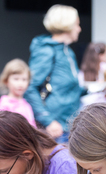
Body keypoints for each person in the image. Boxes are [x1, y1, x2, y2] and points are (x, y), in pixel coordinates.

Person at [24, 4, 84, 143]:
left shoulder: (67, 51)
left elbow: (66, 88)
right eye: (77, 24)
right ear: (67, 25)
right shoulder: (47, 51)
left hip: (70, 124)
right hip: (56, 129)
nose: (79, 29)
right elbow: (30, 87)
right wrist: (48, 121)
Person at [0, 59, 36, 127]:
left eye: (24, 79)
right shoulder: (4, 105)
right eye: (16, 79)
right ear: (6, 81)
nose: (20, 84)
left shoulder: (27, 105)